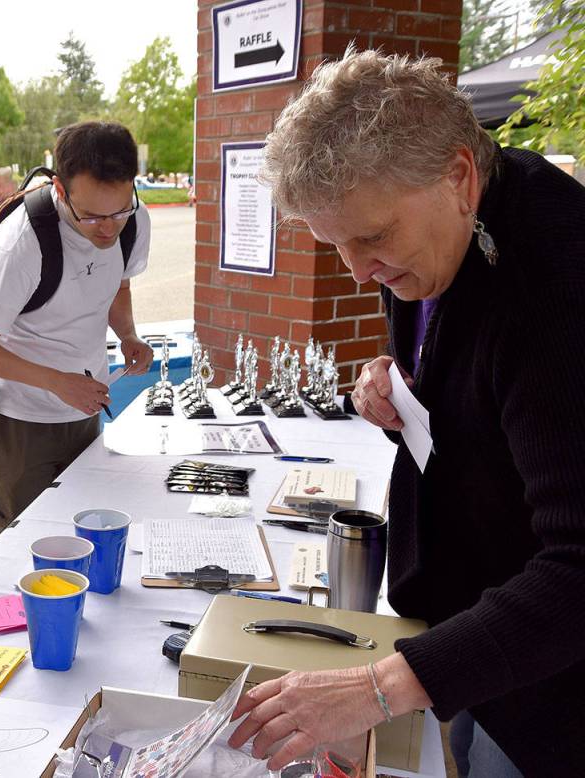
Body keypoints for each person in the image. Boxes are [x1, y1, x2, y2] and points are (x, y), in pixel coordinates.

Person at [228, 48, 585, 776]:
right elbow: (484, 384)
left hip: (560, 678)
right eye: (338, 246)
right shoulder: (445, 220)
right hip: (474, 627)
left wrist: (379, 686)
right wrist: (407, 397)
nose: (360, 272)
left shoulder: (558, 289)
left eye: (373, 238)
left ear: (458, 176)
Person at [0, 121, 154, 540]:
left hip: (83, 407)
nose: (108, 228)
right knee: (23, 542)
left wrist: (128, 334)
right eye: (92, 216)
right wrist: (57, 383)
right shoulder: (20, 245)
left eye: (118, 211)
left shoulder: (132, 221)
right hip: (20, 418)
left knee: (83, 534)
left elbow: (118, 284)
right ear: (61, 191)